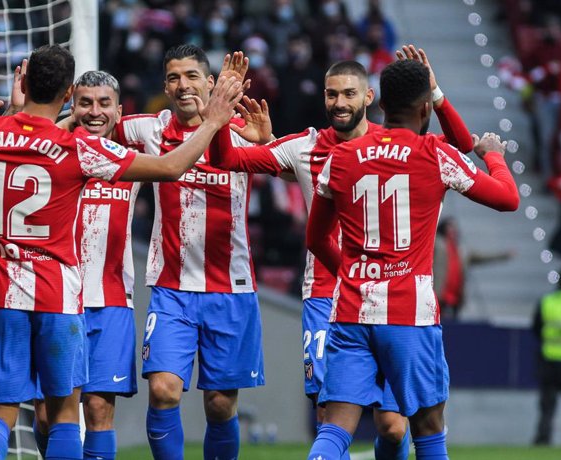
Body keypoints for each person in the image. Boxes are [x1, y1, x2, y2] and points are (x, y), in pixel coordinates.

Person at [0, 44, 244, 460]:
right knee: (61, 417)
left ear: (22, 83)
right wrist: (215, 120)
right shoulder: (79, 149)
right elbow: (170, 167)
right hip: (59, 297)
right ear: (69, 95)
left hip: (1, 294)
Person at [210, 45, 474, 459]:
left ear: (369, 98)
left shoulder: (403, 146)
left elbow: (464, 144)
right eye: (331, 94)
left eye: (349, 94)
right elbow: (227, 159)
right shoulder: (304, 147)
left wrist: (434, 92)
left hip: (391, 300)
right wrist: (220, 111)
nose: (339, 103)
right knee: (330, 416)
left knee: (391, 425)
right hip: (326, 298)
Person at [305, 59, 519, 460]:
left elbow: (315, 237)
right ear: (425, 109)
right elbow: (507, 199)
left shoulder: (342, 156)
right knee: (428, 430)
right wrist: (494, 156)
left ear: (380, 104)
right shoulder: (434, 154)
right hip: (410, 316)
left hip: (351, 311)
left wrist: (353, 275)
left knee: (334, 430)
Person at [111, 45, 261, 460]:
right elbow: (96, 125)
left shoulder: (244, 131)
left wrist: (267, 138)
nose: (183, 85)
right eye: (174, 77)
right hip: (170, 287)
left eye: (193, 76)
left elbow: (287, 161)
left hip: (230, 288)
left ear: (211, 83)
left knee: (219, 404)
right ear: (165, 86)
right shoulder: (147, 129)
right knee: (162, 391)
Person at [30, 70, 141, 460]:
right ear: (71, 106)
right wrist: (64, 123)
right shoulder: (54, 150)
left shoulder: (131, 157)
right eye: (85, 102)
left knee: (97, 409)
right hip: (55, 297)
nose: (95, 111)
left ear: (119, 111)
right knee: (48, 414)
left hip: (111, 300)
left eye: (104, 103)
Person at [532, 269, 561, 445]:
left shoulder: (547, 301)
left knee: (547, 407)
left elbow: (536, 328)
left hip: (550, 360)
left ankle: (543, 440)